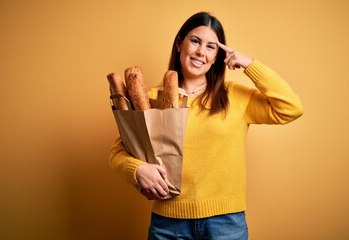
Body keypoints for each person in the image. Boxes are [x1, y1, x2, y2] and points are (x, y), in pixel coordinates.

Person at [109, 11, 303, 239]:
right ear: (180, 44)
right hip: (168, 224)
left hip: (226, 224)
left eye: (211, 46)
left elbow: (291, 108)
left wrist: (250, 64)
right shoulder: (150, 98)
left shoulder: (234, 96)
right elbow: (118, 153)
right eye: (195, 41)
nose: (201, 51)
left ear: (216, 57)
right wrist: (138, 170)